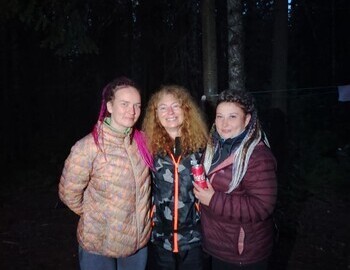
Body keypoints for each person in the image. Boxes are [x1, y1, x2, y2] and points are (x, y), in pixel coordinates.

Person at [58, 77, 153, 270]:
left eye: (137, 105)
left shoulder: (142, 141)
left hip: (137, 242)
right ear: (109, 106)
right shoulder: (88, 147)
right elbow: (68, 193)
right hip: (98, 243)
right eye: (124, 104)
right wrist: (94, 215)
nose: (132, 111)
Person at [194, 90, 277, 270]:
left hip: (243, 253)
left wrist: (213, 199)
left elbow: (262, 206)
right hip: (217, 245)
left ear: (247, 120)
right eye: (220, 116)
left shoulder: (257, 156)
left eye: (232, 116)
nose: (224, 123)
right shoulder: (213, 148)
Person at [142, 85, 208, 270]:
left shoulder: (203, 146)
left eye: (176, 106)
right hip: (160, 236)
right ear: (155, 114)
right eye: (162, 107)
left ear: (186, 109)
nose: (170, 112)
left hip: (194, 237)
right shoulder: (147, 147)